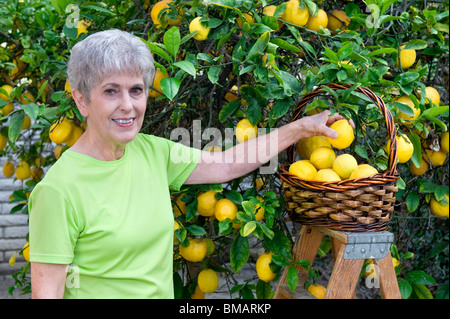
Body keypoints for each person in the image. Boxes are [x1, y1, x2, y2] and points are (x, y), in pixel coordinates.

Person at [29, 29, 350, 299]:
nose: (127, 106)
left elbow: (227, 164)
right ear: (81, 100)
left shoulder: (152, 152)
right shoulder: (59, 190)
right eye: (111, 91)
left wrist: (300, 129)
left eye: (136, 90)